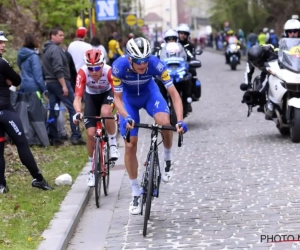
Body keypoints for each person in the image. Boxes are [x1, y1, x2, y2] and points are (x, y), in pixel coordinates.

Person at [112, 37, 188, 215]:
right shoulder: (118, 66)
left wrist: (181, 120)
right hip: (128, 101)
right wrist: (126, 116)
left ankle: (167, 158)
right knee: (131, 144)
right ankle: (135, 191)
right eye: (138, 61)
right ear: (130, 58)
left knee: (164, 122)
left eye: (145, 60)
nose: (142, 64)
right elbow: (117, 99)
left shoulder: (156, 64)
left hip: (149, 94)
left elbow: (174, 95)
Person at [0, 31, 53, 193]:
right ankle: (38, 179)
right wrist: (7, 79)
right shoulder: (2, 63)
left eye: (4, 42)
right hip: (4, 110)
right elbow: (16, 80)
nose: (3, 45)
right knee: (22, 143)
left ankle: (2, 185)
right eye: (0, 43)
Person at [73, 49, 120, 187]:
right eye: (91, 68)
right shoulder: (82, 73)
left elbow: (118, 96)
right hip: (91, 98)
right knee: (90, 134)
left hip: (107, 94)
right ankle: (92, 169)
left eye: (97, 68)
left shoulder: (109, 71)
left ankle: (112, 143)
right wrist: (77, 112)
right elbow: (77, 98)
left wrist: (118, 111)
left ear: (102, 64)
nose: (94, 72)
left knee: (106, 111)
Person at [42, 27, 85, 146]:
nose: (63, 37)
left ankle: (54, 137)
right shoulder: (55, 50)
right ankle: (76, 136)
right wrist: (64, 85)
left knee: (53, 110)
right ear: (53, 36)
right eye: (60, 35)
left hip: (50, 83)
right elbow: (58, 68)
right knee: (74, 107)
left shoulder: (45, 49)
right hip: (59, 83)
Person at [176, 23, 201, 101]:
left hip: (186, 66)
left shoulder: (190, 45)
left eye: (185, 34)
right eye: (181, 33)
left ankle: (190, 95)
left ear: (187, 35)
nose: (182, 35)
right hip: (175, 66)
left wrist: (192, 61)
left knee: (192, 72)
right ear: (178, 34)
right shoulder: (174, 44)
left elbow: (192, 56)